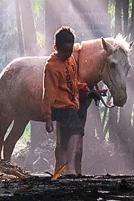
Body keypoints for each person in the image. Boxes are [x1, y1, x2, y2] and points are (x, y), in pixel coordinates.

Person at [42, 26, 90, 176]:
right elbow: (48, 93)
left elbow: (74, 81)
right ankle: (70, 168)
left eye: (69, 51)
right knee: (77, 130)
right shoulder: (51, 67)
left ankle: (60, 170)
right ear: (56, 48)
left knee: (65, 139)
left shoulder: (71, 60)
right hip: (60, 106)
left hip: (71, 104)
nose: (66, 54)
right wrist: (48, 117)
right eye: (63, 52)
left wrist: (86, 89)